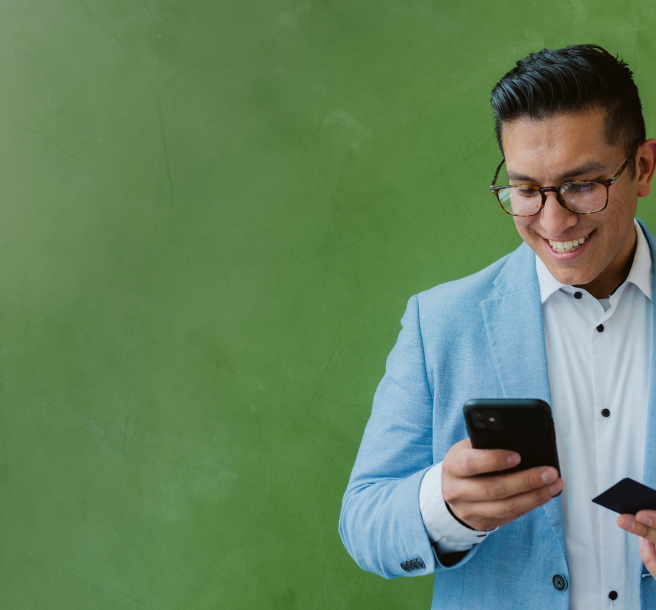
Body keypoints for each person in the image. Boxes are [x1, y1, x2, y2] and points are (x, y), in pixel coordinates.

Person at [339, 44, 656, 609]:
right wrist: (445, 506)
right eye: (527, 190)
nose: (554, 222)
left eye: (582, 185)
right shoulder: (439, 323)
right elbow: (364, 521)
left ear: (644, 168)